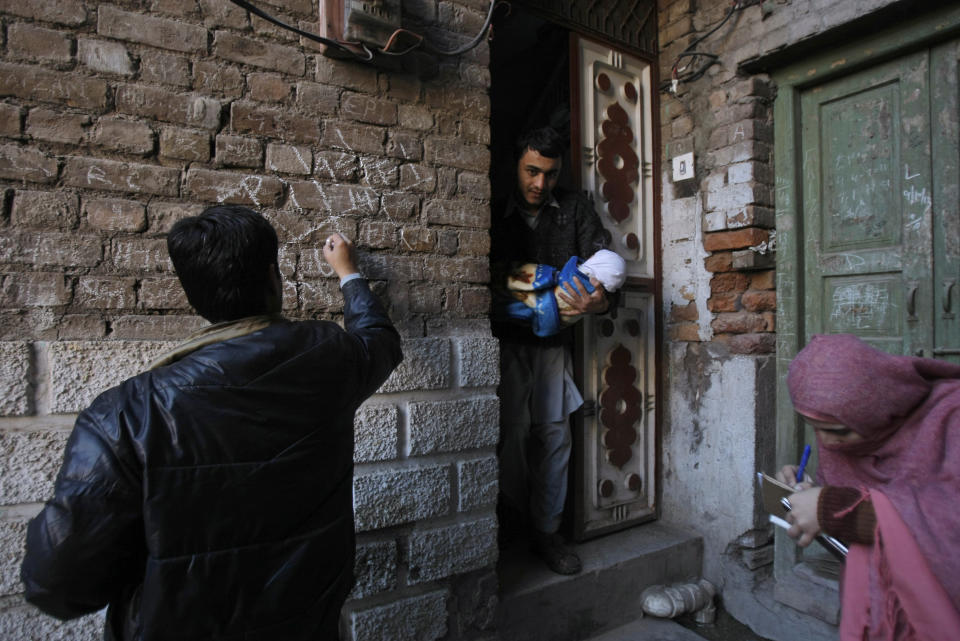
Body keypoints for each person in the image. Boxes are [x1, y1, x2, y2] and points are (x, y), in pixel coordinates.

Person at [20, 205, 402, 641]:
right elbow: (379, 339)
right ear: (274, 279)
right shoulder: (328, 359)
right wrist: (347, 273)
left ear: (194, 295)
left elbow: (55, 583)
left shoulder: (126, 414)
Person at [776, 333, 960, 640]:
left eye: (838, 431)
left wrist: (837, 509)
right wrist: (811, 493)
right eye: (815, 429)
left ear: (873, 408)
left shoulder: (950, 418)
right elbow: (854, 502)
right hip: (875, 608)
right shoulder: (851, 428)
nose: (827, 442)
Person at [491, 126, 615, 575]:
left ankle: (547, 532)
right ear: (515, 165)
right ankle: (505, 526)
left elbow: (604, 264)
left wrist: (600, 299)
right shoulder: (488, 207)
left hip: (552, 347)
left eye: (550, 173)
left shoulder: (575, 209)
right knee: (508, 441)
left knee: (554, 438)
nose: (540, 184)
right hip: (502, 346)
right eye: (531, 171)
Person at [497, 249, 626, 338]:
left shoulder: (579, 213)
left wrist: (603, 304)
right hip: (502, 330)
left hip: (556, 345)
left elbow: (613, 282)